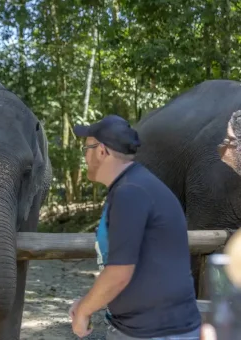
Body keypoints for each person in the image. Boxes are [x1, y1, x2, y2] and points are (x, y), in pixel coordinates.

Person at [69, 115, 202, 339]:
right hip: (151, 328)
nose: (85, 156)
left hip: (154, 333)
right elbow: (141, 267)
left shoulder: (130, 192)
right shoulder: (135, 185)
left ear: (102, 151)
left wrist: (84, 311)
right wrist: (89, 301)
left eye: (87, 148)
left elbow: (119, 273)